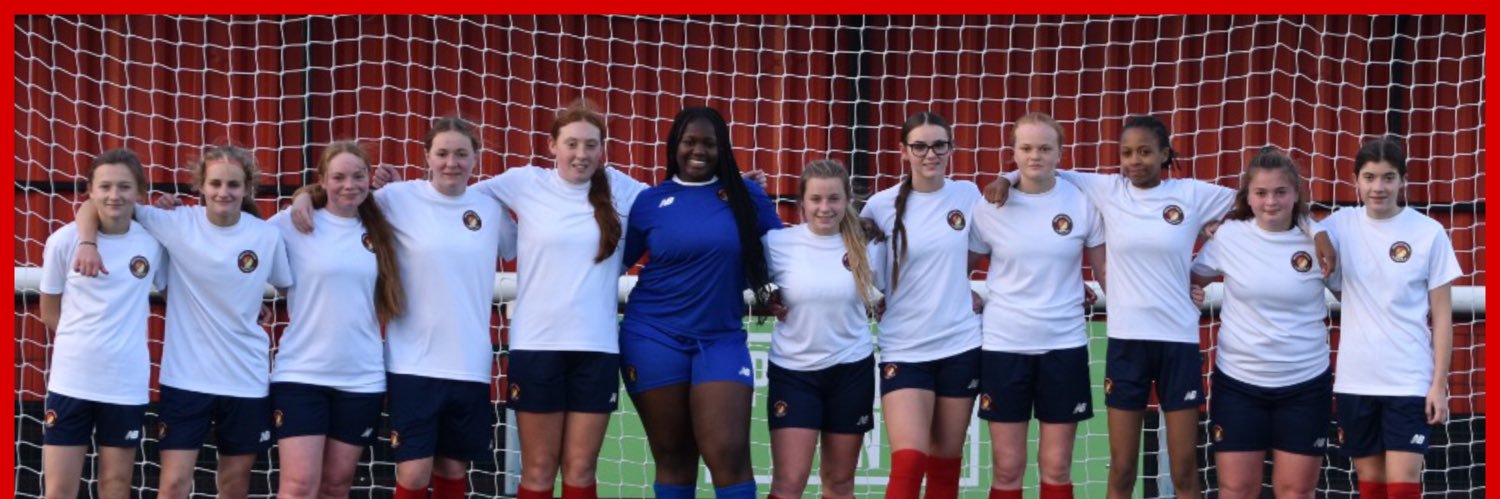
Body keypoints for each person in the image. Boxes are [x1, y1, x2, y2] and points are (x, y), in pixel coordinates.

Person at [290, 116, 519, 499]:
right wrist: (304, 195)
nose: (452, 163)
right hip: (412, 363)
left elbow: (514, 248)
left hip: (471, 364)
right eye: (442, 153)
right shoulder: (398, 197)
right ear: (426, 155)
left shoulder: (489, 208)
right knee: (413, 474)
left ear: (476, 158)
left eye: (462, 154)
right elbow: (343, 194)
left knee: (453, 471)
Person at [72, 145, 294, 499]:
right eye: (216, 183)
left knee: (234, 485)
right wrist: (86, 241)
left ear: (247, 188)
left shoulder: (266, 236)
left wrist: (254, 305)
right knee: (174, 485)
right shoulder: (174, 221)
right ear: (200, 187)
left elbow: (285, 286)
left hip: (246, 379)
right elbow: (93, 203)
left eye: (233, 185)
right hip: (186, 378)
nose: (224, 192)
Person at [466, 101, 646, 499]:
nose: (581, 155)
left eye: (590, 145)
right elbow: (456, 196)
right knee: (539, 471)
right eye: (571, 144)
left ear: (602, 149)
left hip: (596, 349)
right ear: (552, 145)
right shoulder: (524, 182)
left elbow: (677, 208)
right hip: (537, 346)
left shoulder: (622, 189)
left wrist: (736, 188)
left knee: (581, 471)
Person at [619, 106, 781, 499]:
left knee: (729, 453)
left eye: (709, 143)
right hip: (652, 336)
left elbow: (789, 250)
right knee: (674, 455)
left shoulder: (747, 197)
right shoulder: (649, 202)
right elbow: (611, 264)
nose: (699, 150)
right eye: (689, 141)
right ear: (674, 146)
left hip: (720, 339)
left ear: (722, 148)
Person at [968, 113, 1104, 499]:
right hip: (1004, 345)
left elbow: (1107, 271)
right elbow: (956, 267)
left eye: (1045, 148)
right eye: (1026, 148)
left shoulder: (1080, 201)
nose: (1035, 156)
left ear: (1060, 153)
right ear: (1013, 152)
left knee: (1057, 467)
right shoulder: (990, 205)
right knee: (1008, 468)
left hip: (1064, 345)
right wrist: (968, 294)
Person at [1322, 137, 1461, 499]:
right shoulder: (1338, 226)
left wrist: (1438, 385)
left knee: (1401, 488)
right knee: (1371, 488)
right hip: (1356, 380)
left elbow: (1443, 318)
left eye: (1387, 178)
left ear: (1402, 181)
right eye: (1369, 177)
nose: (1378, 187)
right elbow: (1295, 226)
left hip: (1409, 381)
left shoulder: (1428, 232)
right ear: (1355, 180)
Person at [1189, 147, 1332, 499]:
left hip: (1304, 383)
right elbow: (1190, 279)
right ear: (1248, 197)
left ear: (1296, 194)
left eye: (1281, 192)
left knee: (1295, 491)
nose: (1271, 201)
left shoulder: (1320, 242)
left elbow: (1360, 293)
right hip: (1239, 384)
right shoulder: (1229, 236)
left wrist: (1314, 229)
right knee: (1238, 489)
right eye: (1261, 193)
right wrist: (1188, 293)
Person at [265, 141, 403, 499]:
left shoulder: (381, 226)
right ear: (322, 181)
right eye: (338, 177)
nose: (349, 185)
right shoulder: (295, 222)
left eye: (358, 176)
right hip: (301, 375)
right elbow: (239, 246)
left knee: (337, 485)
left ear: (370, 178)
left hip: (362, 378)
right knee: (298, 486)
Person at [861, 112, 983, 499]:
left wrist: (957, 285)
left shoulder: (968, 196)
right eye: (920, 146)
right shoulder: (879, 207)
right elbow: (860, 269)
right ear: (904, 151)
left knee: (946, 466)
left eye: (939, 145)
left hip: (960, 344)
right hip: (905, 346)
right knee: (910, 460)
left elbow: (991, 243)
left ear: (952, 148)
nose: (930, 154)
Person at [39, 149, 165, 499]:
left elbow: (184, 291)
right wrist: (82, 346)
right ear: (90, 191)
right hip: (71, 382)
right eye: (105, 186)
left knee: (115, 486)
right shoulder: (64, 241)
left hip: (125, 384)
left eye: (124, 186)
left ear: (139, 192)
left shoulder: (153, 241)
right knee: (60, 489)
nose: (114, 195)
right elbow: (49, 310)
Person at [762, 160, 882, 499]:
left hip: (851, 371)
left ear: (847, 201)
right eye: (816, 199)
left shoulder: (868, 243)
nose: (824, 208)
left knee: (840, 482)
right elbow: (749, 278)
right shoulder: (776, 243)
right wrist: (766, 294)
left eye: (833, 199)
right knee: (789, 482)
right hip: (794, 372)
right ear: (802, 202)